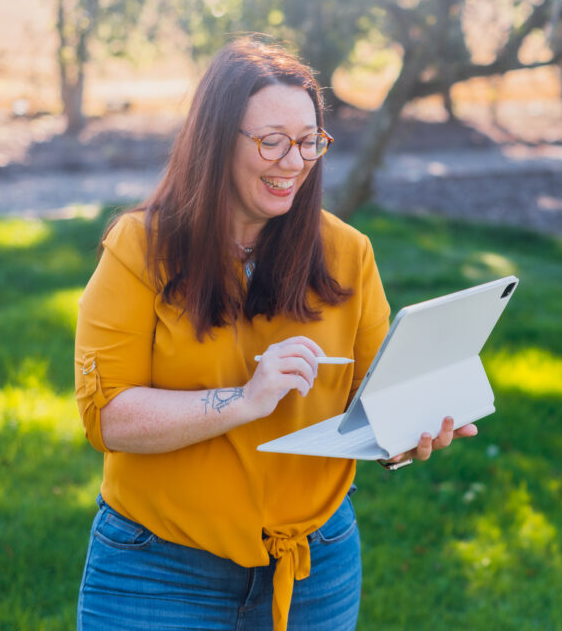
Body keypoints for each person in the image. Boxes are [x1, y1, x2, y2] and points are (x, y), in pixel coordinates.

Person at [73, 36, 476, 631]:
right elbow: (108, 417)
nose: (294, 162)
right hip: (157, 568)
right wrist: (244, 400)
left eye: (310, 141)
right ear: (215, 143)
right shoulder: (140, 249)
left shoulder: (348, 253)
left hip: (318, 565)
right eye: (272, 142)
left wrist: (403, 436)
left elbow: (368, 402)